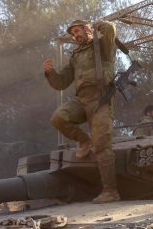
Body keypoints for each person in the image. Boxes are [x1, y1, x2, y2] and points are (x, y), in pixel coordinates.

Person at [43, 19, 119, 203]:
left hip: (100, 98)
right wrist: (50, 73)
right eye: (73, 34)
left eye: (78, 31)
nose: (76, 36)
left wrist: (97, 24)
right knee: (58, 118)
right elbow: (61, 82)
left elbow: (109, 29)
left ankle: (111, 191)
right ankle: (84, 140)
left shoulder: (103, 47)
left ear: (86, 29)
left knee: (102, 145)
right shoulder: (75, 56)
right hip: (81, 99)